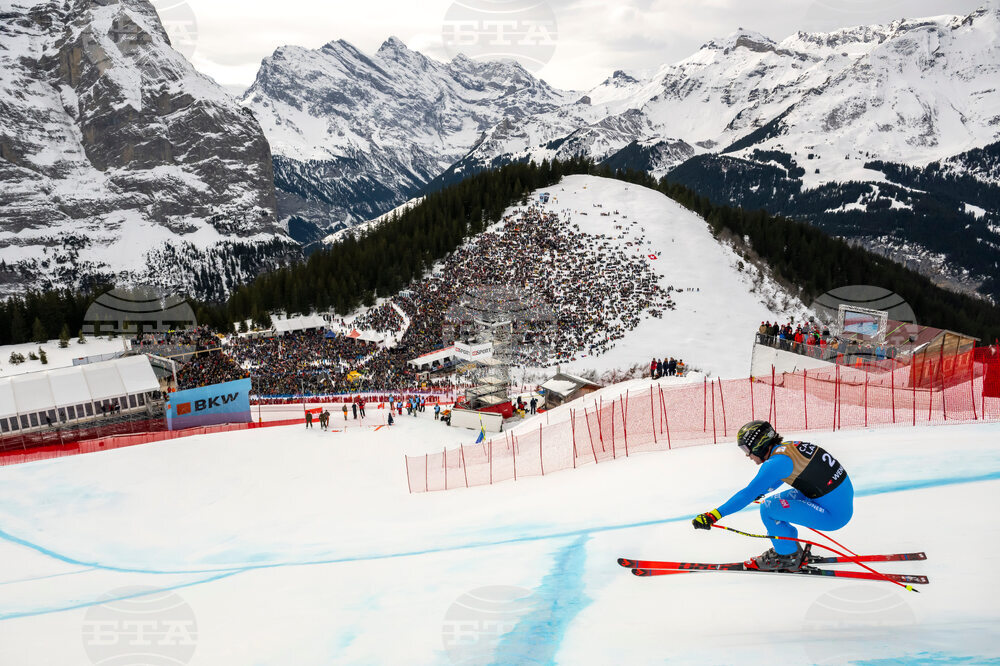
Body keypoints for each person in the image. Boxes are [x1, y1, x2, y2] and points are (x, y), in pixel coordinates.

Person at [691, 420, 853, 571]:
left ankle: (788, 556)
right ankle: (787, 548)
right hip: (834, 499)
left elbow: (747, 494)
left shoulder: (776, 463)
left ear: (758, 445)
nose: (748, 456)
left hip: (833, 516)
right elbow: (782, 476)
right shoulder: (788, 448)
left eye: (747, 449)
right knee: (773, 503)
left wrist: (713, 515)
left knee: (768, 509)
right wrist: (762, 490)